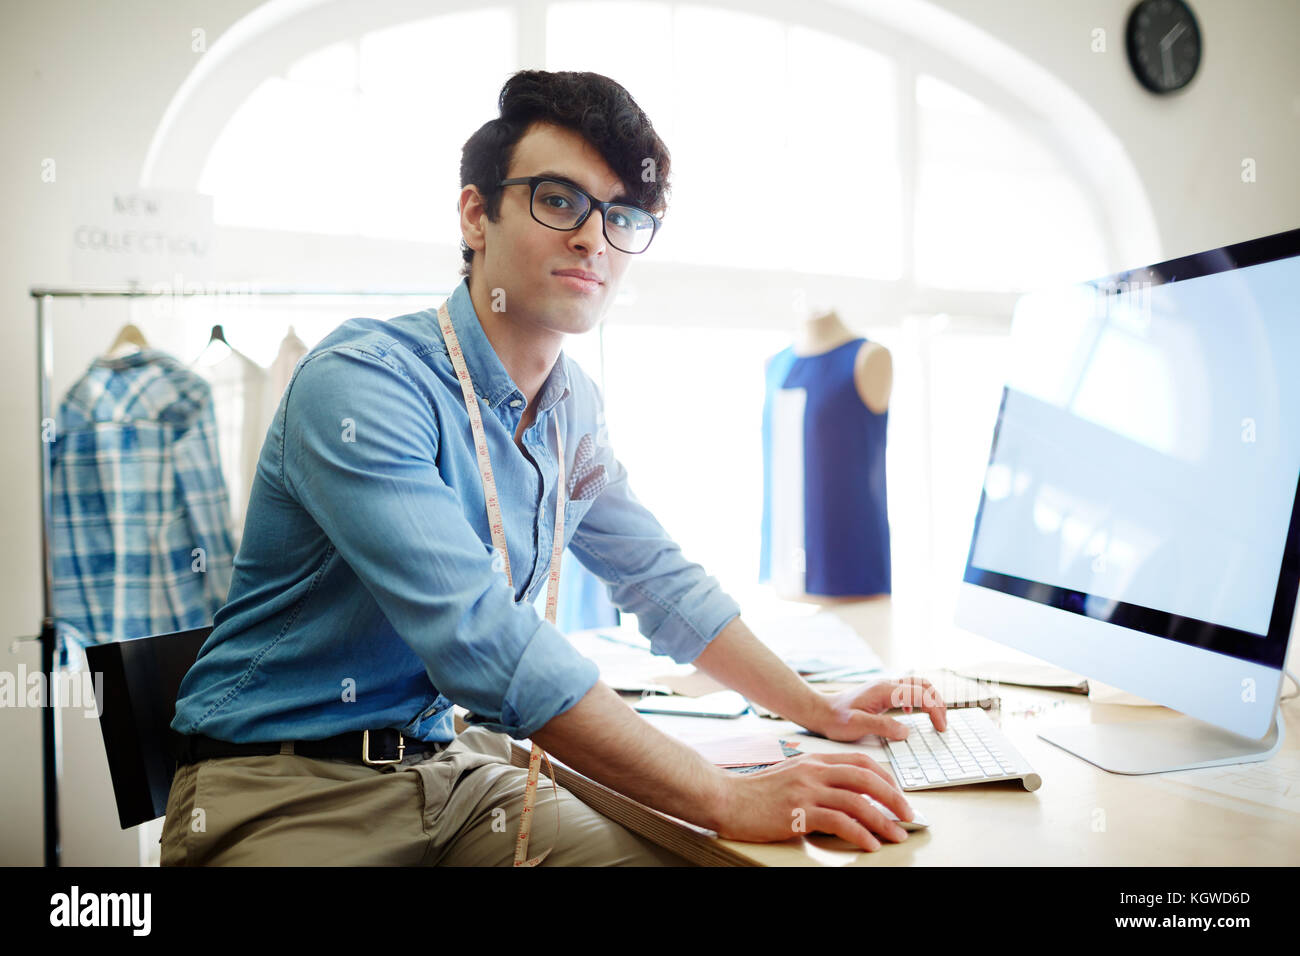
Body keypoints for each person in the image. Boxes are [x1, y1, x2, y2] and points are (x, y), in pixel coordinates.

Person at [161, 69, 947, 867]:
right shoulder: (361, 384)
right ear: (476, 213)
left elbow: (662, 583)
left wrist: (823, 710)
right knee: (720, 823)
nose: (593, 239)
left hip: (449, 778)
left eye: (623, 216)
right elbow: (482, 641)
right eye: (560, 200)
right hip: (283, 792)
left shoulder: (572, 409)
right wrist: (730, 797)